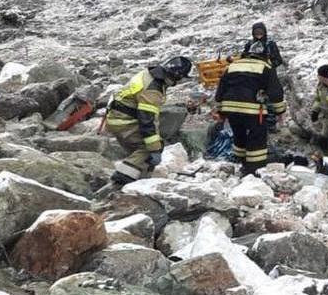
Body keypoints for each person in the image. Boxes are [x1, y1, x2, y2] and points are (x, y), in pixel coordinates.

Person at [103, 56, 192, 188]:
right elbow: (147, 120)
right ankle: (121, 179)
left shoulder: (148, 74)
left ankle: (139, 182)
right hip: (124, 122)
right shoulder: (153, 89)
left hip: (116, 118)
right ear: (177, 76)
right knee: (148, 148)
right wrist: (155, 148)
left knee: (140, 157)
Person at [211, 41, 287, 175]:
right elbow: (275, 92)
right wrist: (280, 111)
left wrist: (220, 110)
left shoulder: (233, 65)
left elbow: (221, 88)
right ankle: (253, 169)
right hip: (251, 109)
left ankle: (240, 161)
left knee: (239, 134)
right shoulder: (265, 67)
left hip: (230, 108)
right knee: (257, 136)